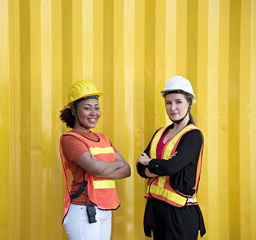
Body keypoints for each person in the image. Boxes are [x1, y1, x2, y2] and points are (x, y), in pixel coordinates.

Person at [59, 80, 131, 240]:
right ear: (73, 110)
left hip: (105, 210)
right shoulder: (71, 139)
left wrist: (105, 166)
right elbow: (96, 168)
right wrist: (115, 164)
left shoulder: (103, 138)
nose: (94, 112)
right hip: (83, 211)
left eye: (96, 107)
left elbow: (126, 169)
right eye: (87, 108)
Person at [136, 76, 206, 240]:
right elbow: (140, 167)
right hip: (157, 209)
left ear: (189, 103)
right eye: (168, 102)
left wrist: (150, 163)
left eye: (178, 102)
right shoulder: (160, 133)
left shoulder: (193, 136)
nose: (172, 107)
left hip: (180, 214)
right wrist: (158, 166)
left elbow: (171, 167)